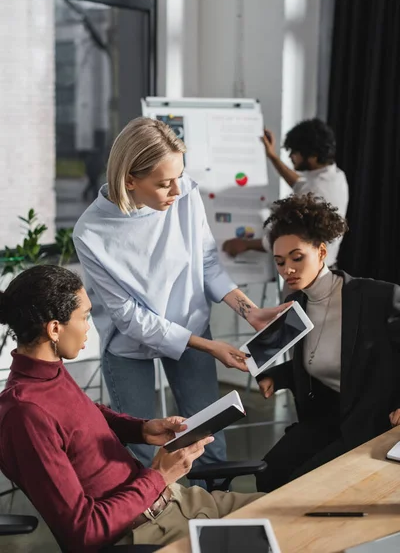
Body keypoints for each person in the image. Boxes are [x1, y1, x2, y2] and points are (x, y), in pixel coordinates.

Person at [0, 266, 263, 552]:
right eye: (84, 317)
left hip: (178, 501)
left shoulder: (50, 373)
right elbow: (83, 532)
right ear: (54, 329)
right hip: (149, 533)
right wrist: (159, 476)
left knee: (290, 507)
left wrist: (141, 429)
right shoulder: (25, 414)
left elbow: (81, 416)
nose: (89, 326)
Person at [73, 117, 287, 468]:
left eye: (179, 178)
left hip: (191, 325)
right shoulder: (91, 232)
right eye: (164, 184)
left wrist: (250, 311)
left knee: (208, 437)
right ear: (130, 180)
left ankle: (213, 507)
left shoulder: (185, 193)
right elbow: (130, 318)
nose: (177, 190)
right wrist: (208, 346)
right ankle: (150, 518)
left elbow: (207, 265)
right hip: (128, 345)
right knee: (140, 448)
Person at [254, 193, 400, 493]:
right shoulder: (294, 304)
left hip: (370, 418)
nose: (287, 270)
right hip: (325, 416)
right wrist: (275, 376)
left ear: (321, 252)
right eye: (280, 262)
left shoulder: (375, 297)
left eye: (297, 257)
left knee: (300, 488)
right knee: (268, 474)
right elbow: (315, 359)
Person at [223, 118, 349, 268]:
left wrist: (245, 244)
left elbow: (289, 237)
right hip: (322, 268)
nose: (291, 157)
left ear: (313, 156)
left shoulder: (317, 190)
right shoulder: (335, 176)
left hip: (309, 276)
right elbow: (299, 184)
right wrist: (272, 156)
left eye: (295, 152)